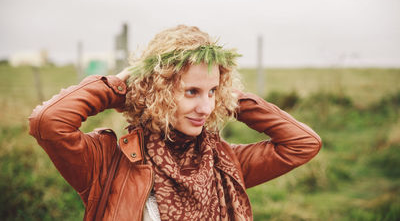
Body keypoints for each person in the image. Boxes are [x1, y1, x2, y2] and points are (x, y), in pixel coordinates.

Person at [29, 25, 321, 221]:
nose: (205, 108)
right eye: (191, 91)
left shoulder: (225, 162)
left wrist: (235, 100)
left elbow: (303, 144)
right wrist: (118, 86)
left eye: (213, 92)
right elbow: (48, 122)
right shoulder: (107, 162)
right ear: (158, 89)